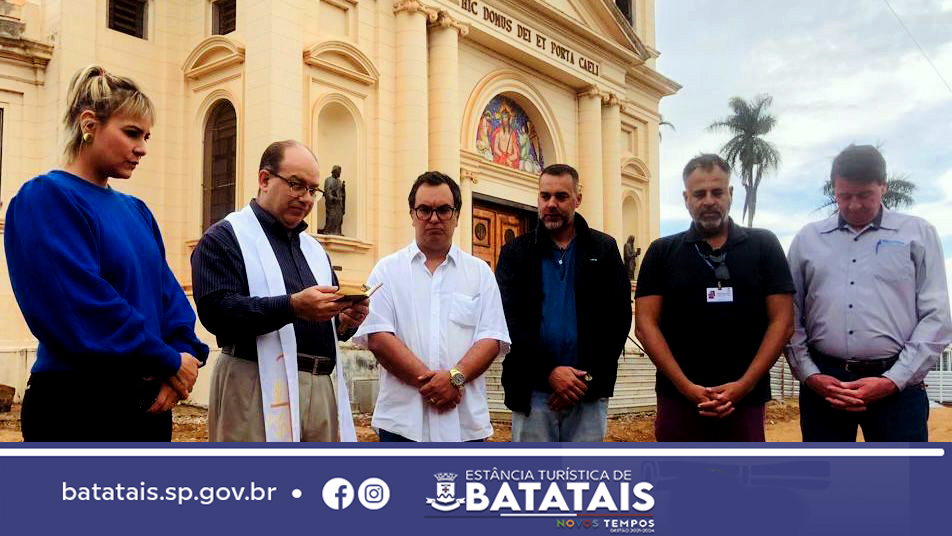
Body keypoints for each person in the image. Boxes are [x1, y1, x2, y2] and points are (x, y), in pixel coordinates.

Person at [4, 65, 208, 441]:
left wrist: (182, 358)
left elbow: (168, 296)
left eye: (146, 136)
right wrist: (165, 359)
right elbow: (80, 305)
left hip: (149, 402)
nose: (142, 148)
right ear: (89, 124)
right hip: (78, 405)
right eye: (131, 133)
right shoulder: (45, 199)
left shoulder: (138, 211)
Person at [191, 140, 367, 442]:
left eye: (313, 190)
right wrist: (292, 307)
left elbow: (321, 323)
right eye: (297, 185)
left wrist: (344, 320)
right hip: (253, 383)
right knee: (258, 486)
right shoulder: (225, 237)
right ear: (264, 179)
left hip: (320, 385)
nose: (307, 198)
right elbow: (216, 312)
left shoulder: (314, 250)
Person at [786, 144, 952, 441]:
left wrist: (892, 380)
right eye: (844, 196)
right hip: (826, 387)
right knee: (824, 481)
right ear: (834, 189)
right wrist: (810, 375)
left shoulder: (917, 234)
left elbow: (937, 316)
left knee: (903, 482)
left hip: (898, 388)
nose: (853, 205)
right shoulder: (808, 240)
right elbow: (790, 315)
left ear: (883, 187)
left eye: (865, 195)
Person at [634, 154, 794, 442]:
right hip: (678, 400)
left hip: (744, 401)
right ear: (686, 198)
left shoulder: (764, 246)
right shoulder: (661, 252)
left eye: (717, 192)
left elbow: (782, 322)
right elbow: (645, 326)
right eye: (699, 193)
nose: (709, 200)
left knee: (740, 485)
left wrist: (743, 386)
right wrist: (686, 387)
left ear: (730, 194)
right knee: (678, 485)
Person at [353, 171, 510, 442]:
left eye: (443, 210)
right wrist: (434, 386)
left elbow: (491, 338)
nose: (434, 218)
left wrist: (455, 380)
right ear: (412, 214)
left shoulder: (480, 273)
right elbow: (379, 338)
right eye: (424, 210)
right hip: (403, 424)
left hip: (464, 424)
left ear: (457, 216)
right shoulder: (386, 271)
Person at [496, 164, 631, 442]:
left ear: (577, 199)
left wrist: (584, 378)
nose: (551, 204)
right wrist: (550, 372)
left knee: (582, 481)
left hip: (587, 393)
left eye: (561, 196)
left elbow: (617, 320)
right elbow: (511, 320)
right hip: (531, 392)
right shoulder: (515, 253)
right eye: (545, 196)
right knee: (531, 483)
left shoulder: (604, 249)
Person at [319, 165, 345, 236]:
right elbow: (327, 192)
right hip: (332, 204)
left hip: (339, 204)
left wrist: (342, 193)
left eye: (340, 172)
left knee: (339, 217)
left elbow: (340, 193)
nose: (340, 174)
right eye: (339, 172)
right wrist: (334, 198)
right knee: (331, 216)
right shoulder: (328, 180)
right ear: (334, 172)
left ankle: (337, 232)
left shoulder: (339, 181)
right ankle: (328, 231)